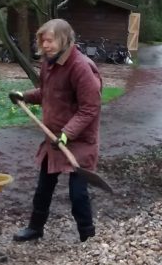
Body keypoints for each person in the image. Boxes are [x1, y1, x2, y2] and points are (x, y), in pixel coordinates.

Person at [9, 18, 102, 243]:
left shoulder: (81, 67)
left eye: (50, 41)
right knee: (43, 188)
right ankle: (35, 228)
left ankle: (88, 238)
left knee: (77, 194)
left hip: (79, 141)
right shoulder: (48, 63)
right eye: (43, 41)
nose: (46, 45)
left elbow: (90, 108)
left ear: (64, 39)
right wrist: (26, 96)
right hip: (54, 138)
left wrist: (67, 134)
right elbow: (47, 93)